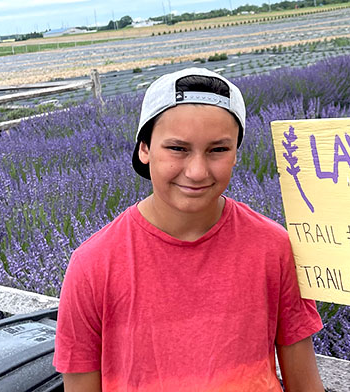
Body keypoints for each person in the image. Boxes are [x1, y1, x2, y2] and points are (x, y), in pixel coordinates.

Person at [53, 68, 324, 392]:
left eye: (218, 150)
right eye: (178, 149)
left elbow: (305, 382)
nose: (196, 172)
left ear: (237, 153)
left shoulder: (272, 246)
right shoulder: (93, 265)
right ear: (144, 149)